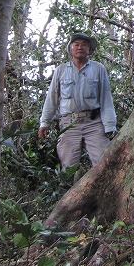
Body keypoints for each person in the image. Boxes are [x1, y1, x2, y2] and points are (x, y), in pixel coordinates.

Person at [38, 31, 117, 170]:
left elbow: (106, 99)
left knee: (103, 164)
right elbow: (52, 98)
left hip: (94, 123)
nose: (80, 47)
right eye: (76, 44)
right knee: (68, 167)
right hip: (69, 123)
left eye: (84, 45)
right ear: (70, 49)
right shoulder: (61, 70)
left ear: (89, 50)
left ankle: (101, 191)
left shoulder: (98, 69)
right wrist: (45, 122)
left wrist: (110, 125)